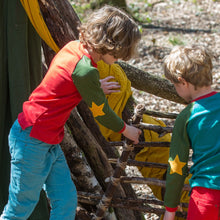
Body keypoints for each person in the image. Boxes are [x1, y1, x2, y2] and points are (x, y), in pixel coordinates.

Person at [0, 5, 141, 220]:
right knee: (20, 206)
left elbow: (69, 81)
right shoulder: (85, 71)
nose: (122, 58)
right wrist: (126, 129)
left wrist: (95, 87)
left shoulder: (74, 48)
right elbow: (101, 112)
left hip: (47, 139)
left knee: (65, 200)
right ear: (112, 44)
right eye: (122, 52)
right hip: (32, 138)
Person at [162, 45, 220, 220]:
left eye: (174, 85)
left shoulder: (187, 117)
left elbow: (177, 167)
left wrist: (170, 208)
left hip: (206, 197)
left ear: (183, 82)